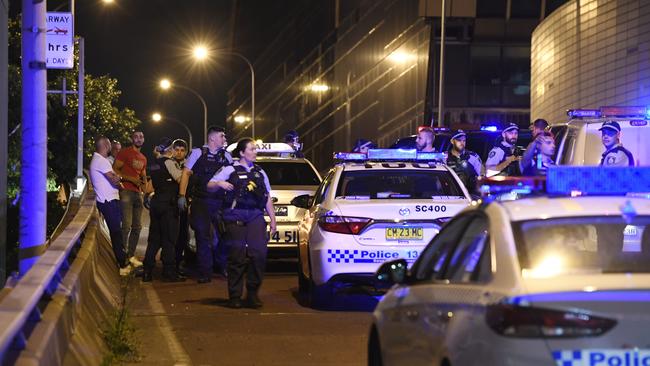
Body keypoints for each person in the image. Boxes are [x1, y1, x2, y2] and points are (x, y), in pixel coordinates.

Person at [208, 138, 277, 309]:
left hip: (255, 216)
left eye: (255, 149)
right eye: (252, 149)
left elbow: (267, 197)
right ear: (241, 153)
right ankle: (235, 296)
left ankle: (252, 294)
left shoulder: (260, 172)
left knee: (258, 254)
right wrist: (219, 183)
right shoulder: (229, 169)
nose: (255, 152)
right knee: (236, 257)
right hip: (235, 215)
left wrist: (273, 221)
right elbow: (209, 186)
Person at [178, 126, 233, 283]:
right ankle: (205, 272)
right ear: (212, 138)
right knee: (203, 237)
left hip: (220, 202)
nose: (224, 138)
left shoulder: (226, 156)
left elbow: (233, 176)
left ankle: (222, 265)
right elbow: (186, 173)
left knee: (225, 235)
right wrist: (182, 195)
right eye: (222, 136)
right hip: (201, 201)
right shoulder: (198, 153)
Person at [143, 138, 185, 282]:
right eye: (174, 149)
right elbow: (180, 179)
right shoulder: (169, 163)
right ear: (170, 150)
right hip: (168, 206)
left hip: (156, 204)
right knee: (169, 239)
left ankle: (147, 271)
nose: (176, 152)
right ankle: (169, 272)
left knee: (154, 239)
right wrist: (187, 173)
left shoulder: (155, 164)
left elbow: (149, 187)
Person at [89, 136, 130, 276]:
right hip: (108, 201)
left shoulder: (97, 160)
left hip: (107, 200)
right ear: (106, 145)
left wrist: (117, 178)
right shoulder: (102, 161)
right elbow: (114, 179)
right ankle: (122, 262)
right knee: (116, 232)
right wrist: (119, 179)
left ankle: (122, 259)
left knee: (116, 231)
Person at [113, 130, 147, 267]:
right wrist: (130, 178)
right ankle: (121, 257)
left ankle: (130, 255)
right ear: (132, 139)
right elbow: (115, 169)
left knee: (137, 227)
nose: (139, 139)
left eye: (141, 136)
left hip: (138, 193)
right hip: (126, 191)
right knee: (126, 226)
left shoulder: (143, 157)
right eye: (136, 137)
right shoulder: (125, 153)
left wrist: (144, 190)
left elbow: (143, 174)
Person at [172, 139, 190, 274]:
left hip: (184, 206)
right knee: (170, 235)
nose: (179, 153)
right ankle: (170, 263)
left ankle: (178, 262)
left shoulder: (189, 166)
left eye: (182, 150)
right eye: (177, 149)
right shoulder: (168, 163)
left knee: (183, 235)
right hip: (170, 205)